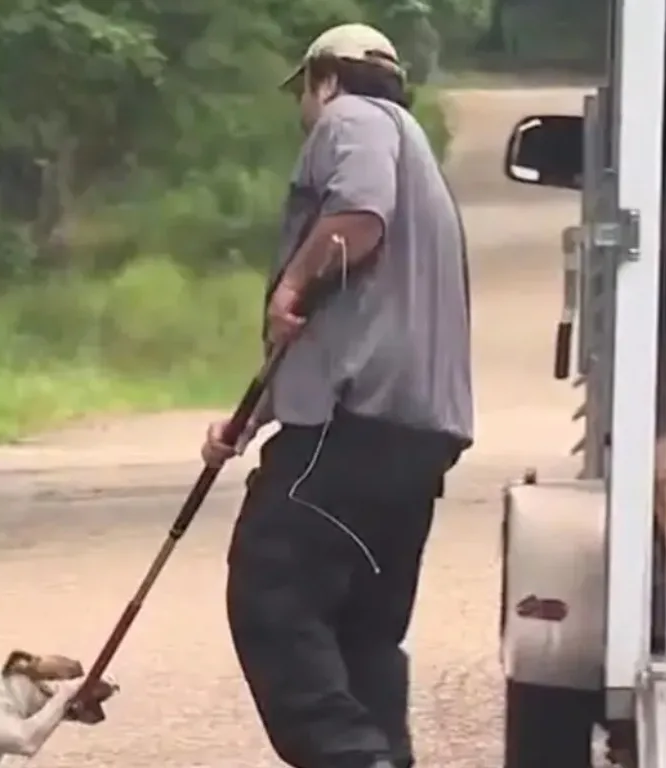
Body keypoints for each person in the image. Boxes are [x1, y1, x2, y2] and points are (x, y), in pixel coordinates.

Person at [201, 23, 472, 768]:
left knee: (272, 586)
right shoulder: (416, 150)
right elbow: (346, 314)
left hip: (352, 421)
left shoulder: (349, 119)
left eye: (304, 93)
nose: (304, 110)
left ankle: (349, 757)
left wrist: (289, 281)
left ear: (325, 77)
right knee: (363, 628)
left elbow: (358, 215)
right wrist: (249, 420)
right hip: (417, 436)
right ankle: (381, 756)